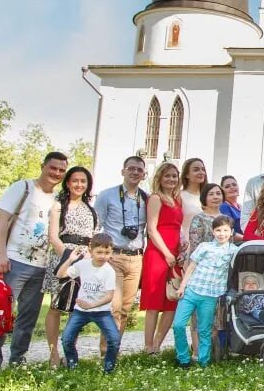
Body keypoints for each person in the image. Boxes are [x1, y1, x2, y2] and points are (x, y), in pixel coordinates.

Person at [0, 151, 68, 372]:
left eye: (61, 170)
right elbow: (2, 220)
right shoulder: (23, 188)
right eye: (53, 168)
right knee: (1, 311)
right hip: (14, 260)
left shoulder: (57, 199)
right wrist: (1, 253)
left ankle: (18, 359)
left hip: (40, 265)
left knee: (27, 318)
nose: (56, 173)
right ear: (43, 166)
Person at [44, 166, 97, 368]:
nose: (79, 185)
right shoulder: (59, 206)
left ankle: (70, 351)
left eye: (83, 181)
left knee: (76, 309)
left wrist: (88, 262)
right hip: (63, 257)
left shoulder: (91, 210)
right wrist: (69, 258)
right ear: (68, 183)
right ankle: (53, 353)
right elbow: (53, 236)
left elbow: (93, 239)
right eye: (75, 180)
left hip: (84, 261)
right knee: (56, 306)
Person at [92, 156, 147, 352]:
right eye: (131, 168)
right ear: (122, 171)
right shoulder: (107, 195)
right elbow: (96, 226)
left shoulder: (146, 198)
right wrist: (100, 254)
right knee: (113, 307)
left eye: (139, 170)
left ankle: (114, 348)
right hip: (114, 256)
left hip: (136, 258)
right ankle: (106, 352)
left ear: (144, 174)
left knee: (125, 309)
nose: (135, 172)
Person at [171, 216, 237, 368]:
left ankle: (204, 361)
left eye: (226, 230)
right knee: (178, 325)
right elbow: (191, 267)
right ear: (213, 231)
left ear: (231, 232)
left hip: (210, 295)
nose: (222, 234)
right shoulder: (204, 247)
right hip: (191, 291)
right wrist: (182, 287)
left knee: (204, 330)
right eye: (218, 230)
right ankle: (183, 359)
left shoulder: (233, 250)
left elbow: (249, 250)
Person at [58, 233, 122, 373]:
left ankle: (109, 368)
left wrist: (91, 305)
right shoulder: (83, 265)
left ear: (111, 252)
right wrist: (70, 260)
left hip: (102, 312)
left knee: (114, 339)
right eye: (99, 252)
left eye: (107, 253)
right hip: (80, 312)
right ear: (90, 250)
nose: (102, 256)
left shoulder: (109, 271)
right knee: (66, 338)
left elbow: (109, 296)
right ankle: (72, 365)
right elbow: (60, 275)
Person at [140, 161, 183, 355]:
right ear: (159, 178)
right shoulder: (156, 198)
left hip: (175, 254)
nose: (171, 179)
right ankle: (148, 346)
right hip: (158, 253)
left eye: (174, 176)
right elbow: (152, 228)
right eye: (167, 176)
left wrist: (179, 248)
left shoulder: (177, 200)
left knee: (171, 300)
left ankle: (158, 343)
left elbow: (177, 227)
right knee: (154, 301)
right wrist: (166, 253)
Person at [185, 183, 226, 258]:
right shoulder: (198, 219)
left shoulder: (227, 219)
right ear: (204, 198)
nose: (215, 197)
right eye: (211, 194)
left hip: (224, 263)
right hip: (203, 265)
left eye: (218, 193)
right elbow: (195, 247)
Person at [178, 157, 208, 245]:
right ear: (187, 174)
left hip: (207, 246)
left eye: (203, 169)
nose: (201, 172)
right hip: (187, 244)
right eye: (196, 170)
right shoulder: (179, 196)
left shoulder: (209, 196)